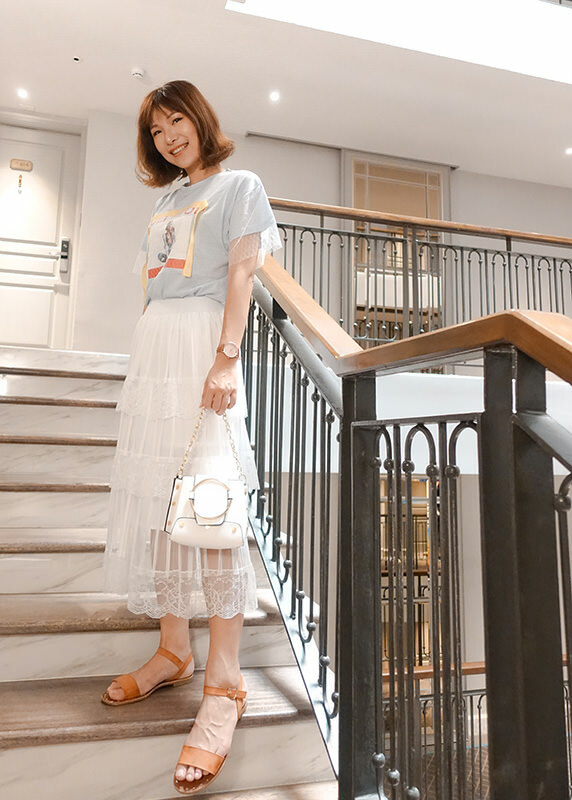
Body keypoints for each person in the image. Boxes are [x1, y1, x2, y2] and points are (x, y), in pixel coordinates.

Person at [101, 80, 281, 795]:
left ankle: (226, 678)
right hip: (157, 351)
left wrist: (227, 357)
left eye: (176, 120)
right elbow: (153, 284)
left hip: (205, 342)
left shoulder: (240, 185)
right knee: (159, 499)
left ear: (200, 119)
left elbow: (242, 270)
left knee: (210, 501)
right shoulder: (165, 201)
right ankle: (173, 647)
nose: (169, 136)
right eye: (156, 130)